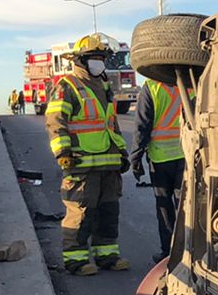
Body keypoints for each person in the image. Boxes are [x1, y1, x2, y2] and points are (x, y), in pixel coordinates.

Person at [46, 33, 130, 275]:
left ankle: (108, 256)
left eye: (101, 58)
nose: (98, 62)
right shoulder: (67, 86)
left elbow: (110, 124)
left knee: (108, 212)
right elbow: (55, 120)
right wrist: (62, 151)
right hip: (81, 163)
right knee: (81, 212)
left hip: (108, 163)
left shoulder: (104, 87)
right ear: (81, 61)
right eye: (94, 58)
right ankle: (76, 260)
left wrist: (121, 152)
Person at [130, 76, 192, 263]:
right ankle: (191, 249)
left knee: (164, 208)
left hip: (161, 159)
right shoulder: (191, 83)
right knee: (188, 206)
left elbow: (142, 126)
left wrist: (136, 157)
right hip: (187, 156)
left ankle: (169, 252)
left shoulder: (151, 87)